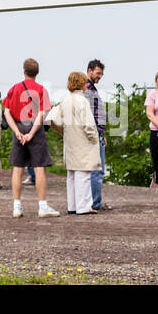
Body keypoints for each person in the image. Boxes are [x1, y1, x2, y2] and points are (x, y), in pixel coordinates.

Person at [3, 59, 59, 217]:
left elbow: (6, 111)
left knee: (18, 167)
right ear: (37, 72)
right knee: (39, 166)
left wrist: (17, 131)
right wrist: (31, 133)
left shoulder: (14, 88)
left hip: (19, 126)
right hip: (35, 128)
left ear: (24, 71)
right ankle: (42, 206)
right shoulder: (41, 90)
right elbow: (42, 114)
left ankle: (17, 206)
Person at [45, 72, 100, 214]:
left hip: (69, 140)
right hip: (82, 141)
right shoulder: (82, 101)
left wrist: (63, 132)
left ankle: (72, 206)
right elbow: (88, 124)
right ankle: (84, 207)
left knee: (72, 175)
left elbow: (52, 118)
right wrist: (94, 138)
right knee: (84, 174)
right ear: (82, 84)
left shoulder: (65, 100)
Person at [84, 59, 110, 212]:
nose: (100, 76)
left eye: (101, 74)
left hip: (98, 133)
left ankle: (95, 201)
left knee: (97, 169)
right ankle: (95, 202)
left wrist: (102, 134)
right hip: (93, 134)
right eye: (98, 73)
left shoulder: (92, 88)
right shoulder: (87, 89)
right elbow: (87, 113)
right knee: (96, 169)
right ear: (90, 70)